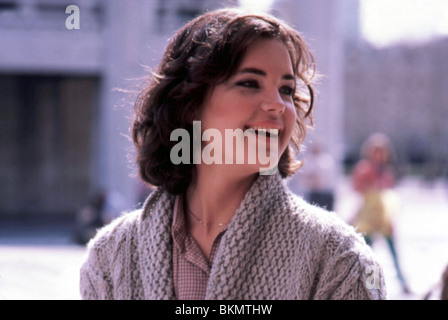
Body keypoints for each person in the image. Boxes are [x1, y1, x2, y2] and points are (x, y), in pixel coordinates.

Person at [80, 8, 386, 300]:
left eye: (287, 90)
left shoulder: (340, 261)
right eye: (250, 83)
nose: (278, 105)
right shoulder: (109, 258)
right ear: (189, 103)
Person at [350, 133, 410, 294]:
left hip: (384, 217)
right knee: (368, 253)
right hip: (369, 217)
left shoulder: (386, 171)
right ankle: (371, 285)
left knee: (393, 252)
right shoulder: (365, 168)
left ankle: (402, 283)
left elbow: (390, 196)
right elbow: (356, 187)